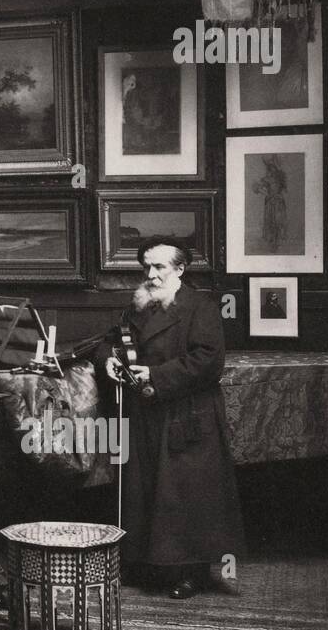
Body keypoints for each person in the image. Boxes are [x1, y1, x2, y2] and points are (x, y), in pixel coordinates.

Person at [101, 238, 246, 599]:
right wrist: (107, 359)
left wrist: (156, 375)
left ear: (180, 269)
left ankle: (190, 573)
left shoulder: (201, 307)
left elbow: (209, 360)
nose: (150, 275)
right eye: (146, 268)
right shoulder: (141, 303)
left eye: (159, 267)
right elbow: (110, 340)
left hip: (187, 413)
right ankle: (148, 567)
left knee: (186, 495)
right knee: (146, 490)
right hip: (146, 413)